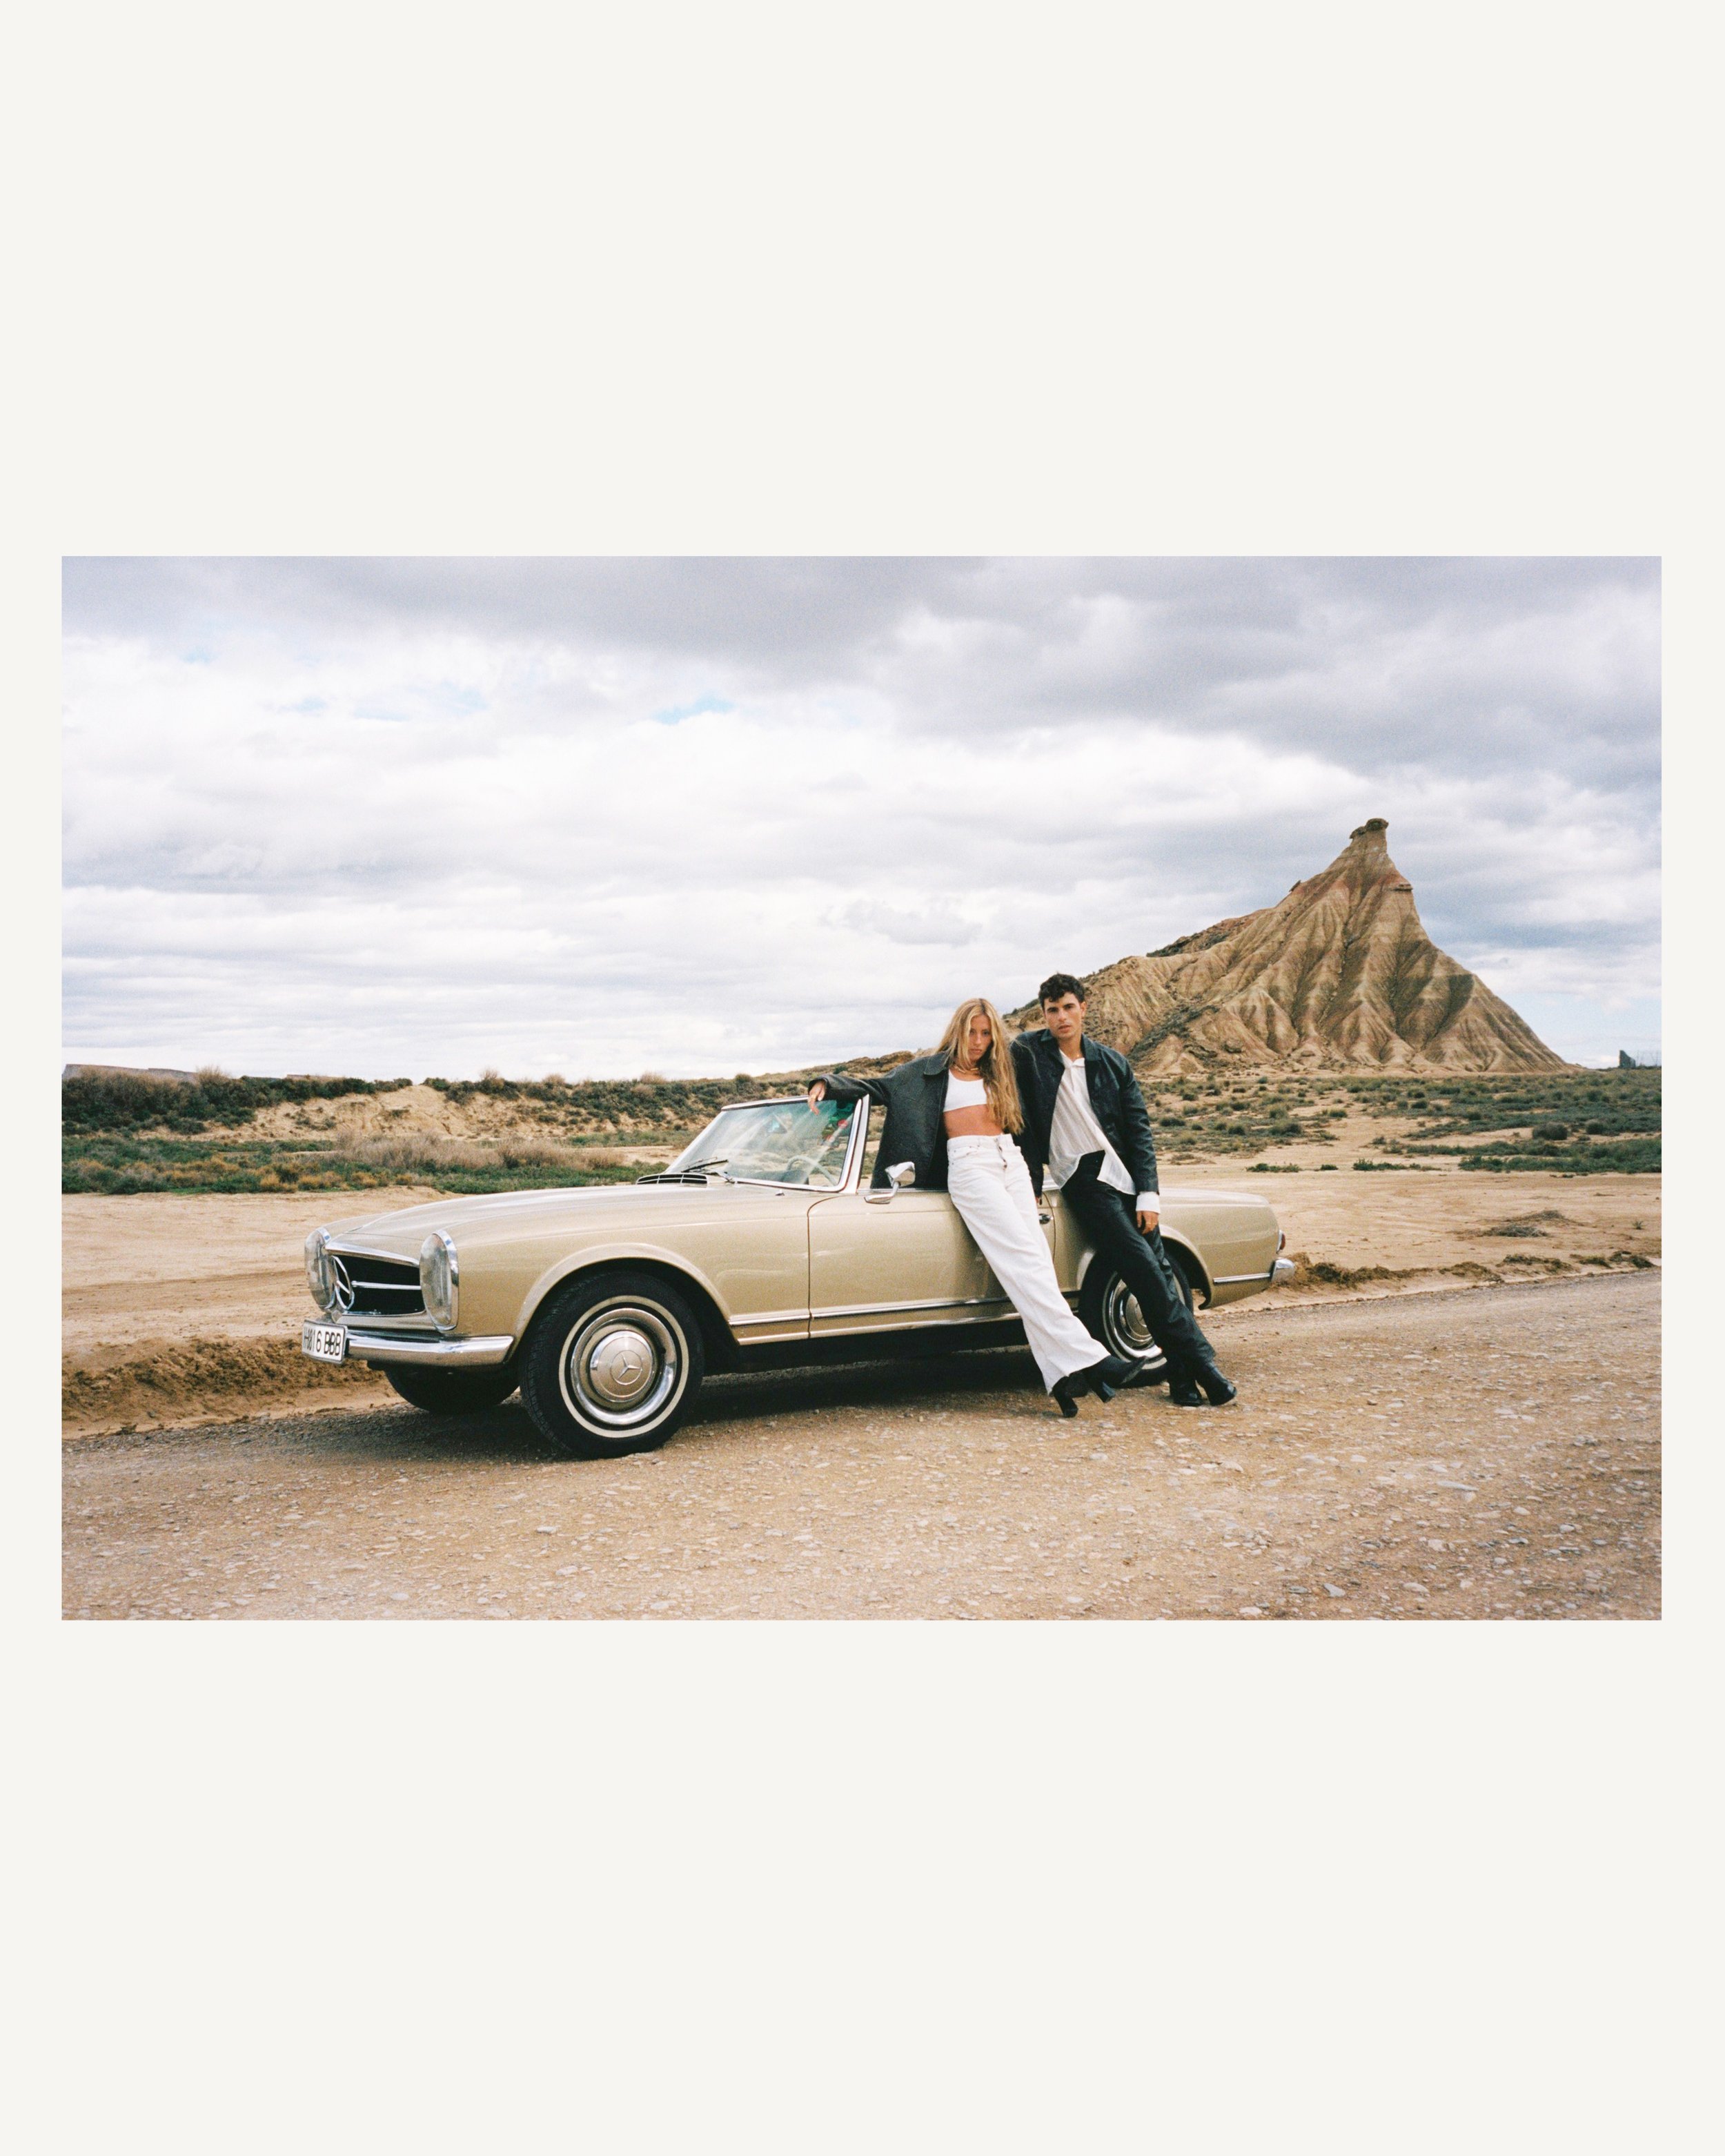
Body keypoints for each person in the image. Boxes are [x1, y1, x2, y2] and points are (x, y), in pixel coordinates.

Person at [808, 998, 1133, 1416]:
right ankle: (1091, 1356)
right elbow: (874, 1086)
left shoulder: (1000, 1072)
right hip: (969, 1165)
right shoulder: (924, 1072)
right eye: (971, 1033)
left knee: (1035, 1260)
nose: (978, 1042)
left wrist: (1032, 1177)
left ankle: (1060, 1374)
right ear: (957, 1031)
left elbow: (1030, 1122)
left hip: (1009, 1160)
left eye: (986, 1034)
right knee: (1020, 1257)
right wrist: (825, 1082)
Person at [1011, 971, 1237, 1409]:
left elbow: (1139, 1132)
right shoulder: (1029, 1055)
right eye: (1052, 1010)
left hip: (1126, 1179)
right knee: (1147, 1272)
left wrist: (1149, 1195)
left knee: (1161, 1277)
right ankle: (1205, 1366)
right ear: (1043, 1015)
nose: (1061, 1017)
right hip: (1082, 1177)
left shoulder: (1112, 1063)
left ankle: (1182, 1380)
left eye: (1069, 1007)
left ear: (1084, 1008)